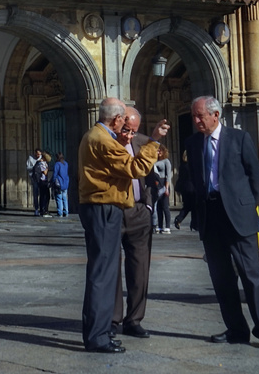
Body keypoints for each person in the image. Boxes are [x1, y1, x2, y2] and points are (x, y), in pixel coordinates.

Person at [77, 97, 168, 354]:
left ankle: (103, 331)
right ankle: (97, 336)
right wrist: (154, 141)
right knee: (103, 274)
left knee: (104, 273)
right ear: (117, 119)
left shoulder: (94, 135)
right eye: (123, 122)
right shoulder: (104, 140)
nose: (124, 126)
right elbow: (136, 167)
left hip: (102, 207)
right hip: (103, 208)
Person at [185, 95, 259, 348]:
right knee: (221, 277)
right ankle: (236, 328)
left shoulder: (239, 138)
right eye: (193, 116)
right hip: (210, 217)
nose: (196, 121)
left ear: (215, 115)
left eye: (200, 116)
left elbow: (255, 174)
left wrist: (247, 205)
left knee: (251, 275)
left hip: (238, 216)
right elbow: (193, 178)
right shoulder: (192, 143)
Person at [112, 107, 158, 340]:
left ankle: (134, 320)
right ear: (118, 122)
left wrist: (148, 206)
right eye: (128, 129)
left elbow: (151, 176)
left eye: (136, 130)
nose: (132, 135)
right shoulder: (106, 142)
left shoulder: (144, 142)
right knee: (111, 269)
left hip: (139, 211)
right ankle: (112, 319)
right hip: (113, 210)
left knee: (139, 269)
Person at [149, 149, 172, 233]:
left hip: (164, 182)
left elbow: (168, 175)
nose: (159, 152)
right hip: (156, 183)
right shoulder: (154, 161)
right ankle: (160, 225)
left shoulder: (166, 161)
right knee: (158, 207)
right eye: (157, 151)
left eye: (160, 151)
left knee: (165, 206)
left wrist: (166, 187)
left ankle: (168, 226)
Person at [33, 152, 53, 216]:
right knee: (45, 196)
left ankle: (44, 210)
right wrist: (47, 168)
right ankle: (44, 210)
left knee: (45, 196)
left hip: (43, 181)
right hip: (42, 181)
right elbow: (45, 172)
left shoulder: (42, 163)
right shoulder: (41, 163)